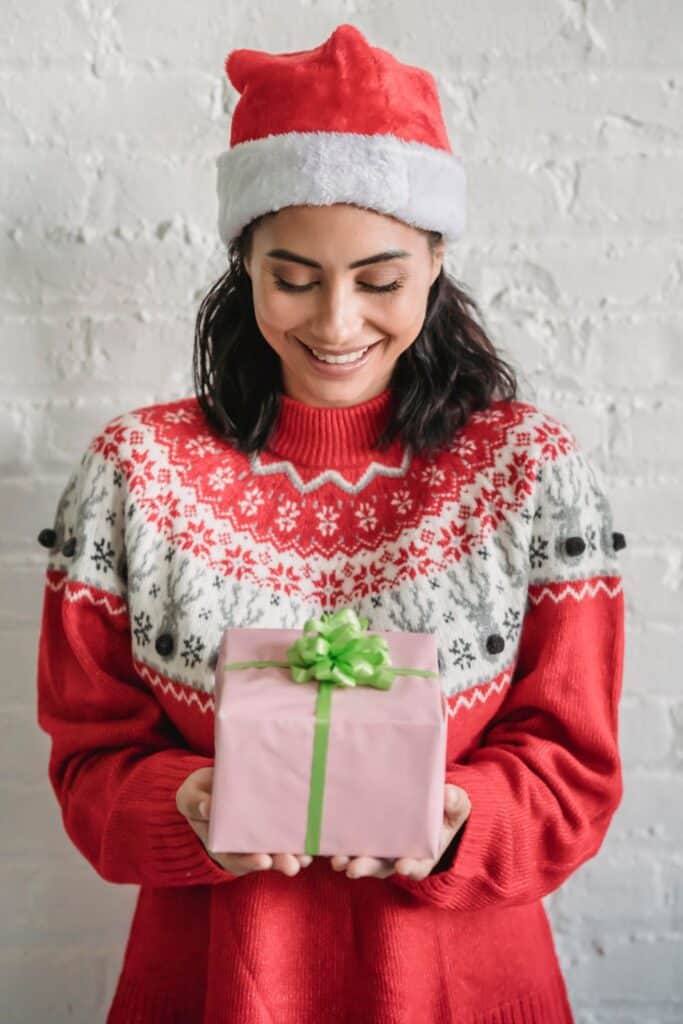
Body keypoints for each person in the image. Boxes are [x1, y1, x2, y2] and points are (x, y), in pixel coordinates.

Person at [36, 23, 626, 1024]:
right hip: (219, 982)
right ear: (244, 264)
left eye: (380, 280)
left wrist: (463, 819)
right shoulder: (135, 474)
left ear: (435, 261)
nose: (337, 323)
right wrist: (181, 805)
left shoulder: (527, 470)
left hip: (458, 982)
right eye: (294, 279)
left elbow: (573, 765)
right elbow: (88, 762)